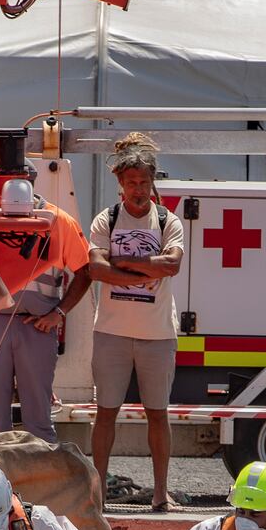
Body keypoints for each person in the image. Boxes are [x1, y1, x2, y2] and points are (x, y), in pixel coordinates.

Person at [86, 132, 185, 510]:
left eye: (144, 182)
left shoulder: (167, 220)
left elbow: (172, 265)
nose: (138, 190)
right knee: (105, 413)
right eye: (131, 183)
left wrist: (122, 265)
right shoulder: (106, 220)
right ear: (120, 184)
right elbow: (96, 269)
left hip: (157, 335)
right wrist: (145, 271)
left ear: (152, 181)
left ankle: (161, 493)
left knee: (158, 414)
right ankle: (97, 496)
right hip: (111, 332)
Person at [0, 164, 94, 445]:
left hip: (37, 326)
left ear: (32, 182)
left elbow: (85, 270)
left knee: (38, 419)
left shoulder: (57, 220)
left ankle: (42, 483)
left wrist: (58, 313)